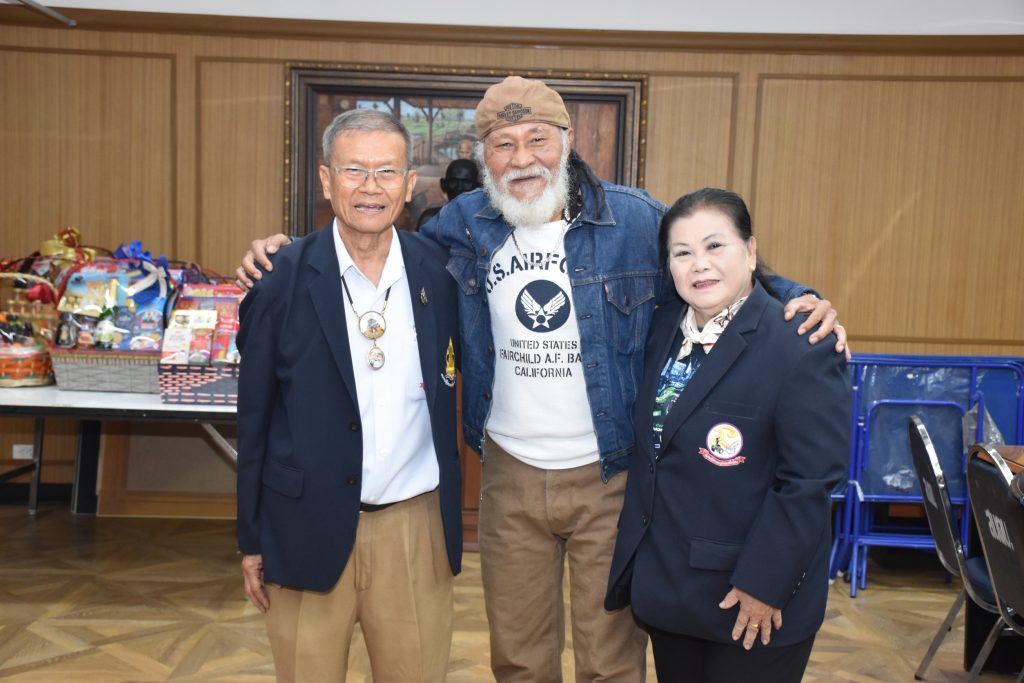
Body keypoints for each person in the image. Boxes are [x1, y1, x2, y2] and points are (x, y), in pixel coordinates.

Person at [236, 77, 847, 682]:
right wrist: (283, 253)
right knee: (520, 659)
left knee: (610, 661)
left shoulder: (635, 220)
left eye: (537, 139)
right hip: (509, 477)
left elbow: (711, 260)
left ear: (568, 140)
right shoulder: (463, 223)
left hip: (611, 477)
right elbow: (366, 242)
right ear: (483, 157)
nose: (522, 158)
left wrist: (799, 296)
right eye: (503, 144)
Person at [235, 108, 462, 682]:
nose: (370, 187)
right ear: (326, 179)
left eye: (386, 172)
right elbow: (254, 416)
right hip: (303, 526)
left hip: (414, 531)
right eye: (353, 170)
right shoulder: (279, 278)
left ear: (408, 184)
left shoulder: (441, 274)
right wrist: (251, 538)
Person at [605, 188, 850, 683]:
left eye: (715, 246)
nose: (700, 264)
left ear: (751, 252)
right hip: (671, 591)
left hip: (752, 599)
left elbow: (807, 483)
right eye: (682, 253)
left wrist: (764, 585)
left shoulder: (802, 344)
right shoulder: (659, 330)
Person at [415, 158, 481, 230]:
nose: (459, 187)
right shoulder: (429, 219)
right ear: (443, 185)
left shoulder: (485, 222)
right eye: (453, 181)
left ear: (478, 187)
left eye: (466, 182)